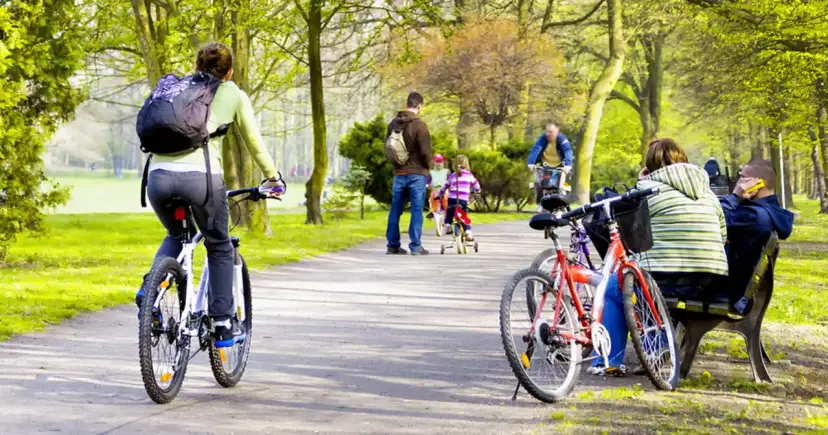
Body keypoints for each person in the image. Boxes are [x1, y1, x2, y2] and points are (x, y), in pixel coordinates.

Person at [135, 42, 284, 348]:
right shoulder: (232, 93)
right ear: (229, 72)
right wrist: (273, 178)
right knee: (218, 245)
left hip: (157, 180)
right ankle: (222, 322)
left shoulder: (174, 88)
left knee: (176, 234)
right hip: (201, 180)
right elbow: (253, 142)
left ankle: (150, 290)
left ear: (195, 66)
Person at [589, 139, 728, 375]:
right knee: (645, 284)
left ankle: (607, 361)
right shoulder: (708, 193)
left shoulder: (648, 190)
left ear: (649, 164)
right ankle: (658, 346)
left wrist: (641, 182)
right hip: (709, 283)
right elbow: (723, 236)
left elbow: (627, 235)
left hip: (665, 280)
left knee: (613, 290)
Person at [720, 159, 793, 312]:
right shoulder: (770, 211)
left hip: (727, 291)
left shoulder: (753, 215)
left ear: (760, 183)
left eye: (743, 177)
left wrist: (734, 196)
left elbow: (713, 222)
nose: (738, 182)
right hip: (738, 288)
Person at [385, 92, 433, 255]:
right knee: (417, 209)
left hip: (399, 173)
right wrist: (428, 167)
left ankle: (392, 245)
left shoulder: (393, 124)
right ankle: (415, 246)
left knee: (395, 209)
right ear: (419, 106)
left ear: (407, 104)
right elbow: (426, 152)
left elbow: (389, 147)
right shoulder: (420, 126)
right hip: (416, 174)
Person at [527, 122, 574, 211]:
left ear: (557, 131)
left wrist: (568, 165)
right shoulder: (543, 138)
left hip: (559, 166)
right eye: (547, 132)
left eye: (551, 132)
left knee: (559, 186)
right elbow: (536, 148)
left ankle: (562, 207)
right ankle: (541, 203)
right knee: (538, 184)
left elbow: (567, 150)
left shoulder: (561, 139)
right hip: (545, 165)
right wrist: (531, 162)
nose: (549, 134)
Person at [438, 155, 481, 241]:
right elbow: (476, 185)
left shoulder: (453, 175)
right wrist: (477, 190)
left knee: (449, 213)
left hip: (452, 198)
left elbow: (445, 186)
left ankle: (448, 225)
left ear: (455, 164)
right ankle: (468, 232)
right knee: (464, 216)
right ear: (466, 164)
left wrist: (440, 194)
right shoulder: (469, 175)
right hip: (463, 200)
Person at [427, 154, 449, 219]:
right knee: (434, 195)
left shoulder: (446, 171)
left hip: (444, 190)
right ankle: (434, 211)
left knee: (446, 201)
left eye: (440, 162)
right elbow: (427, 182)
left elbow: (450, 181)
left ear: (443, 162)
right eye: (437, 162)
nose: (438, 163)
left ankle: (447, 212)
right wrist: (428, 186)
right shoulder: (431, 172)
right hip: (434, 190)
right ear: (434, 162)